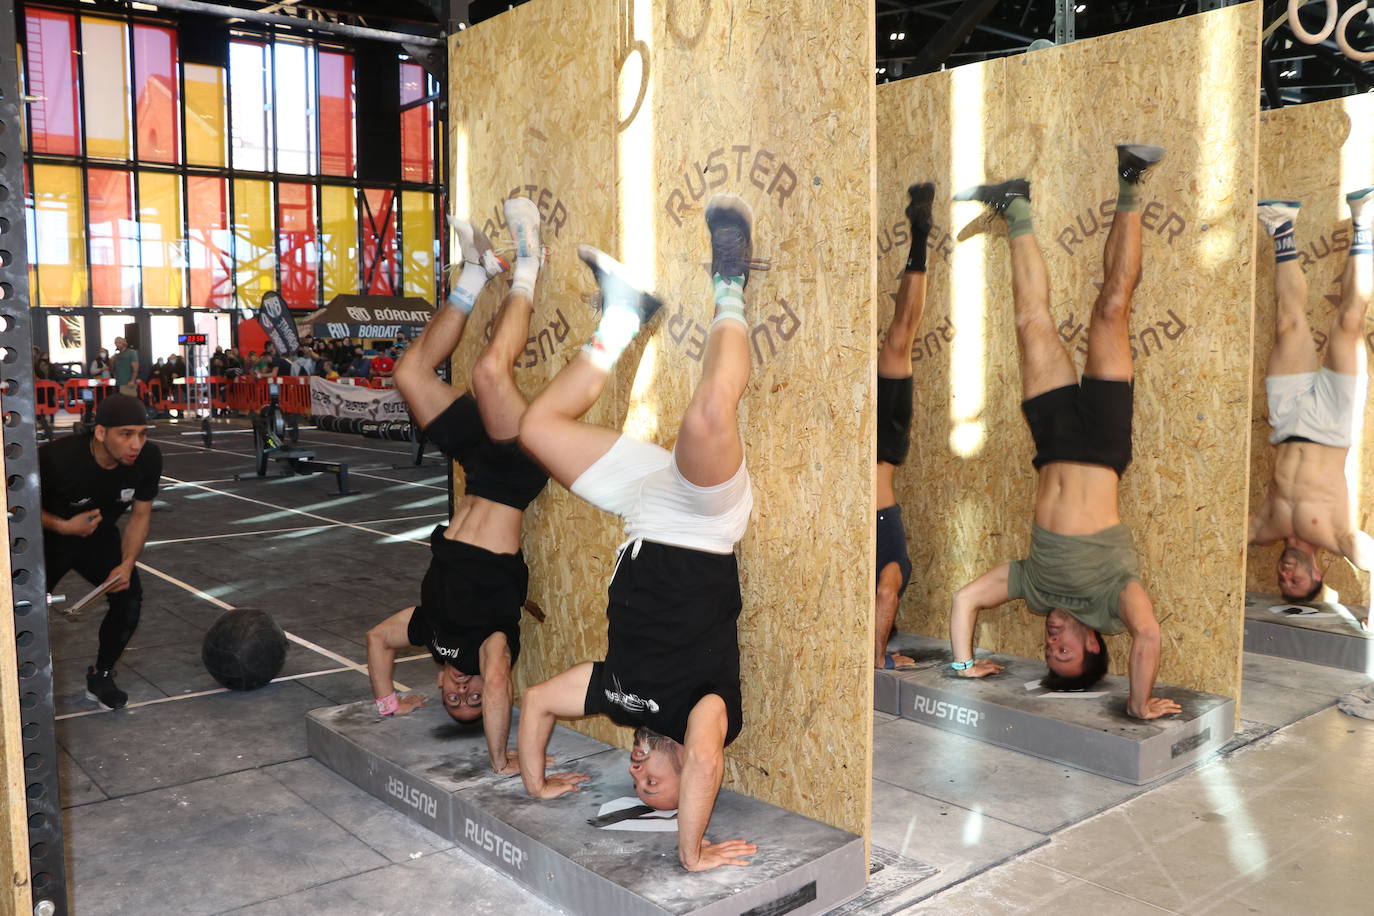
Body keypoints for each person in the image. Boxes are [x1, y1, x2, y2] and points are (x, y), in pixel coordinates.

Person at [516, 193, 758, 872]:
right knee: (708, 414)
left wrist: (536, 784)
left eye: (636, 789)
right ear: (688, 789)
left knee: (536, 429)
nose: (638, 779)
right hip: (705, 521)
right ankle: (731, 284)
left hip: (642, 510)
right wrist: (691, 851)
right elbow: (708, 758)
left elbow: (535, 703)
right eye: (657, 790)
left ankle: (624, 315)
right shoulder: (704, 716)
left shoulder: (617, 696)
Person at [945, 144, 1180, 720]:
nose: (1053, 643)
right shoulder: (1111, 599)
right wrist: (1139, 701)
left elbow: (965, 599)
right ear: (1095, 643)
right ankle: (1129, 178)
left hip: (1050, 442)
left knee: (1031, 323)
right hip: (1102, 442)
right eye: (1066, 652)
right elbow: (1147, 635)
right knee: (1111, 309)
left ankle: (1015, 205)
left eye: (1049, 652)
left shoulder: (1036, 588)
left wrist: (961, 663)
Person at [365, 197, 548, 776]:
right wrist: (499, 759)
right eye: (474, 701)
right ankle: (529, 261)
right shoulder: (489, 646)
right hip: (514, 475)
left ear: (439, 686)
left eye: (454, 699)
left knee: (408, 375)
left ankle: (475, 273)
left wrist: (389, 702)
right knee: (490, 372)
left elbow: (376, 639)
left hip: (475, 467)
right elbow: (498, 681)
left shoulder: (431, 632)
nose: (466, 691)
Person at [1249, 189, 1374, 609]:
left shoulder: (1269, 527)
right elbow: (1366, 555)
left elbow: (1229, 531)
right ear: (1318, 574)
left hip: (1287, 421)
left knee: (1287, 323)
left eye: (1282, 580)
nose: (1286, 574)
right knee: (1349, 323)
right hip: (1333, 423)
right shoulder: (1334, 537)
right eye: (1297, 581)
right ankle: (1364, 222)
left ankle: (1282, 226)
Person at [39, 394, 162, 710]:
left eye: (142, 433)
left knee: (129, 600)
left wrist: (127, 563)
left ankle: (101, 675)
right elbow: (14, 507)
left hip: (98, 537)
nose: (136, 444)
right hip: (45, 537)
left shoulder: (148, 459)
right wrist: (65, 526)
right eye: (126, 434)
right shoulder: (56, 458)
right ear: (100, 433)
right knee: (23, 612)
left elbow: (140, 515)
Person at [876, 181, 933, 670]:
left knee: (899, 339)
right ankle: (920, 236)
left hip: (874, 449)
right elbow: (889, 594)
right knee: (899, 340)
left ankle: (920, 238)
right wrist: (881, 659)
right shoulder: (893, 568)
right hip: (880, 449)